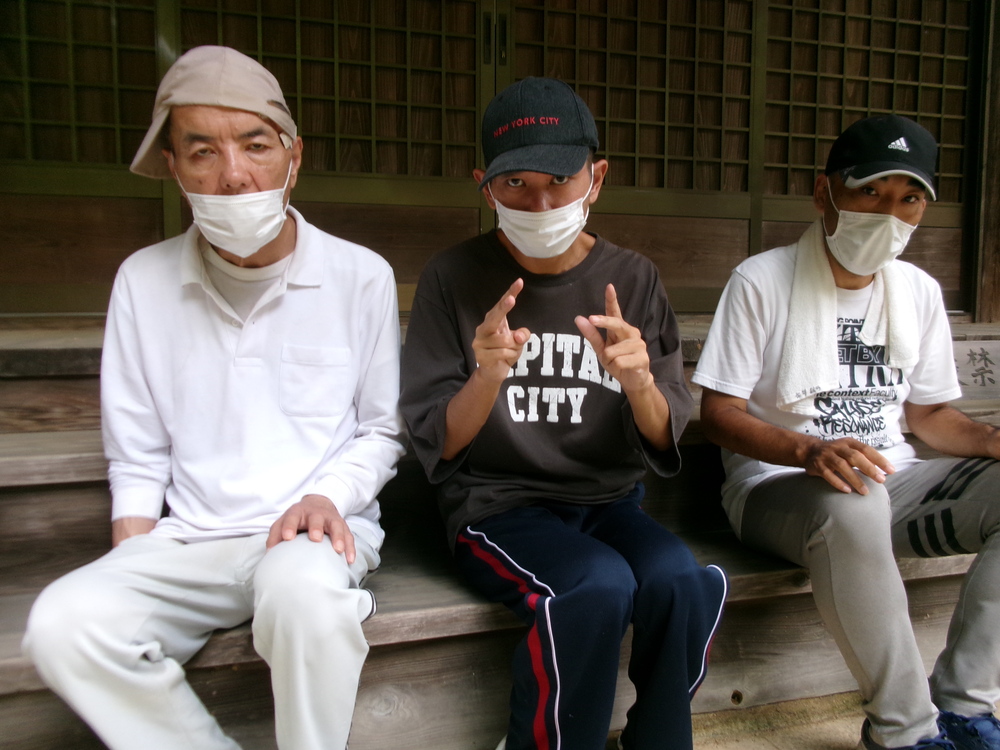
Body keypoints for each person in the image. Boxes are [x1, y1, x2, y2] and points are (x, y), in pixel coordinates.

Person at [22, 46, 406, 750]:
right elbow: (137, 453)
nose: (233, 174)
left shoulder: (361, 276)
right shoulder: (143, 280)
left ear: (294, 156)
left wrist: (327, 496)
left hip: (311, 535)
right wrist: (133, 558)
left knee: (306, 598)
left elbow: (381, 430)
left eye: (256, 146)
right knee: (63, 623)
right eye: (203, 151)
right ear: (174, 166)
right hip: (191, 537)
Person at [399, 76, 727, 750]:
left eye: (559, 180)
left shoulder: (632, 278)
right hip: (497, 507)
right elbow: (440, 443)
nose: (540, 202)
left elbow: (663, 432)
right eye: (516, 184)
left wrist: (638, 382)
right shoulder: (452, 277)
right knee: (596, 584)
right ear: (485, 188)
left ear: (596, 178)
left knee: (678, 580)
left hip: (608, 502)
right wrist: (486, 377)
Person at [693, 114, 1000, 750]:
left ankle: (967, 706)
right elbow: (719, 414)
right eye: (870, 192)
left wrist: (991, 440)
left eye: (908, 198)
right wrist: (806, 448)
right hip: (780, 486)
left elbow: (928, 417)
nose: (888, 213)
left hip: (892, 478)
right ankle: (904, 731)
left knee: (872, 493)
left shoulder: (917, 290)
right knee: (854, 500)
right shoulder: (762, 280)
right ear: (824, 192)